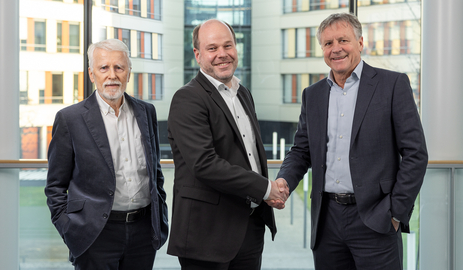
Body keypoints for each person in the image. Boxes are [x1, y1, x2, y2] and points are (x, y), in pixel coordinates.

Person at [276, 13, 428, 270]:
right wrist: (284, 181)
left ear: (360, 42)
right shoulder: (312, 95)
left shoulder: (392, 85)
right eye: (327, 43)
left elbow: (415, 154)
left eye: (343, 40)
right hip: (327, 222)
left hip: (376, 218)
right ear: (322, 49)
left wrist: (394, 212)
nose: (336, 49)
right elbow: (302, 151)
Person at [167, 19, 289, 270]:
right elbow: (205, 164)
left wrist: (267, 192)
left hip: (250, 226)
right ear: (198, 55)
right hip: (207, 234)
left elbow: (250, 155)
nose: (222, 54)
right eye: (212, 48)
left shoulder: (243, 94)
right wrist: (265, 188)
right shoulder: (187, 98)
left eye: (228, 45)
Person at [45, 38, 168, 269]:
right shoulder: (70, 119)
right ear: (92, 74)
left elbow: (156, 172)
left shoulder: (147, 112)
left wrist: (160, 217)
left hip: (143, 233)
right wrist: (69, 229)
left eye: (119, 67)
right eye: (104, 68)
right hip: (94, 235)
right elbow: (55, 186)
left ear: (128, 73)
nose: (112, 75)